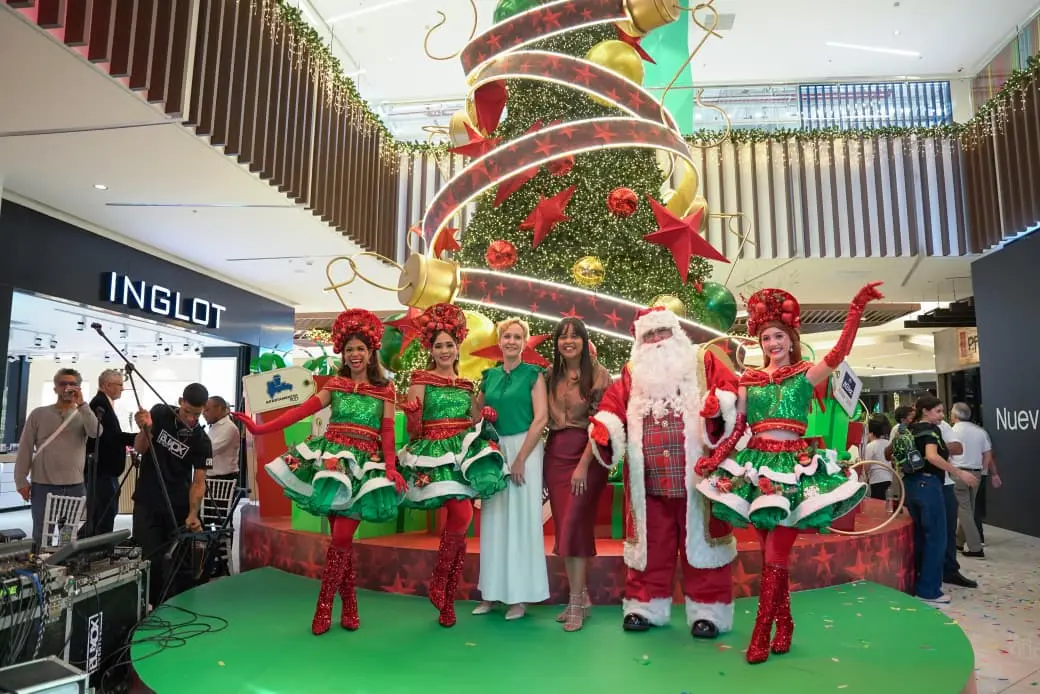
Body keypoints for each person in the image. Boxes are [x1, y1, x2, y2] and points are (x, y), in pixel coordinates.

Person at [697, 285, 881, 664]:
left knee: (775, 554)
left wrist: (855, 309)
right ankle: (786, 623)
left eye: (778, 336)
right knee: (770, 554)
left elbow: (839, 353)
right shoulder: (748, 380)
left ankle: (760, 634)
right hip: (758, 471)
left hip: (795, 470)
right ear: (760, 343)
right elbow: (739, 428)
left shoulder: (805, 375)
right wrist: (717, 457)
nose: (772, 343)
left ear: (791, 338)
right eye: (766, 338)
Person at [234, 309, 405, 634]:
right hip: (332, 465)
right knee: (341, 542)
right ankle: (349, 606)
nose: (354, 354)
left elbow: (387, 432)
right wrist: (260, 429)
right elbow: (302, 411)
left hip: (363, 468)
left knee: (341, 538)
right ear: (343, 352)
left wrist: (391, 466)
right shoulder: (336, 385)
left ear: (371, 352)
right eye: (349, 349)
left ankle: (323, 607)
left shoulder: (385, 390)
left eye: (360, 348)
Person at [590, 306, 740, 639]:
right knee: (651, 547)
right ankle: (645, 607)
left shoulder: (702, 360)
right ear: (640, 342)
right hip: (650, 483)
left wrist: (719, 407)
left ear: (676, 333)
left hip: (698, 481)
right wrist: (605, 428)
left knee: (704, 547)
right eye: (649, 335)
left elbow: (730, 393)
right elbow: (612, 407)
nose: (657, 340)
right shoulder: (632, 373)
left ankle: (709, 612)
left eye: (662, 332)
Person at [398, 303, 508, 627]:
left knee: (462, 520)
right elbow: (413, 431)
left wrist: (486, 416)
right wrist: (413, 415)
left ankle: (446, 596)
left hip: (461, 454)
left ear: (458, 347)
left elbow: (474, 420)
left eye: (449, 344)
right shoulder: (421, 379)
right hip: (434, 455)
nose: (445, 350)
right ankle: (440, 581)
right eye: (439, 346)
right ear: (431, 350)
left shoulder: (466, 385)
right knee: (462, 515)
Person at [472, 318, 550, 620]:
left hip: (524, 449)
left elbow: (541, 419)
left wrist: (519, 459)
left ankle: (519, 597)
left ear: (524, 342)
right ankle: (491, 594)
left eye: (517, 337)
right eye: (507, 336)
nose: (512, 342)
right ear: (500, 341)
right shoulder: (488, 376)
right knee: (493, 519)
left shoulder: (533, 375)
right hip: (495, 448)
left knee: (521, 520)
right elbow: (476, 416)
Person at [544, 317, 612, 632]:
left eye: (575, 336)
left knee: (574, 524)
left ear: (584, 341)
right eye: (563, 336)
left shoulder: (598, 374)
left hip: (588, 454)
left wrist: (584, 464)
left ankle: (574, 602)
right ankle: (581, 596)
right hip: (555, 455)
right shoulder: (549, 376)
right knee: (567, 527)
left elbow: (601, 424)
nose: (568, 341)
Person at [132, 383, 212, 605]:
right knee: (150, 558)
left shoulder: (202, 440)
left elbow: (199, 482)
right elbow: (139, 448)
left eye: (197, 415)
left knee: (179, 561)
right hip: (148, 499)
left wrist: (193, 513)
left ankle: (177, 607)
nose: (191, 419)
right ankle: (150, 606)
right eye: (187, 412)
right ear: (180, 402)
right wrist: (145, 429)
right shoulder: (160, 413)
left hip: (177, 505)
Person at [905, 395, 978, 605]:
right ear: (925, 411)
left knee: (920, 537)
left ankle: (919, 582)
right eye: (937, 411)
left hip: (911, 486)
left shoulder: (909, 429)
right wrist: (959, 473)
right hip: (929, 485)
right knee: (937, 538)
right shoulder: (931, 430)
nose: (941, 416)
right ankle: (929, 590)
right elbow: (932, 456)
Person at [15, 369, 99, 548]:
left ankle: (64, 562)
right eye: (63, 384)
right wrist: (20, 480)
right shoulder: (39, 414)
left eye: (72, 384)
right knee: (41, 534)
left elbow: (96, 432)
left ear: (79, 388)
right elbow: (25, 447)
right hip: (43, 485)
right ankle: (40, 563)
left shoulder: (84, 414)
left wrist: (82, 404)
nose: (67, 387)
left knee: (67, 535)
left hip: (74, 486)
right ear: (55, 388)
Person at [83, 369, 136, 537]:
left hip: (105, 470)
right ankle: (96, 546)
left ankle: (92, 544)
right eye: (119, 384)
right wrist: (137, 438)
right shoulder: (99, 405)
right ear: (107, 385)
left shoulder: (104, 404)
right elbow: (109, 437)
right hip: (102, 470)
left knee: (104, 511)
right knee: (104, 512)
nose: (122, 388)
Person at [948, 403, 991, 557]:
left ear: (954, 416)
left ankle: (975, 547)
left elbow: (946, 454)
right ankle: (959, 542)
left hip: (958, 473)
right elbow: (987, 454)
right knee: (969, 510)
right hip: (976, 473)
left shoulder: (951, 432)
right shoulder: (980, 431)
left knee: (964, 510)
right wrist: (981, 471)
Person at [203, 396, 241, 482]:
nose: (203, 413)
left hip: (224, 479)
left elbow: (210, 451)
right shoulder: (214, 426)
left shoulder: (229, 428)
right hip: (212, 477)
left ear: (219, 409)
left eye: (207, 410)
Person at [863, 415, 893, 500]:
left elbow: (866, 465)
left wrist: (865, 476)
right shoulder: (888, 443)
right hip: (889, 477)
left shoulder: (871, 446)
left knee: (877, 501)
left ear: (871, 432)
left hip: (876, 479)